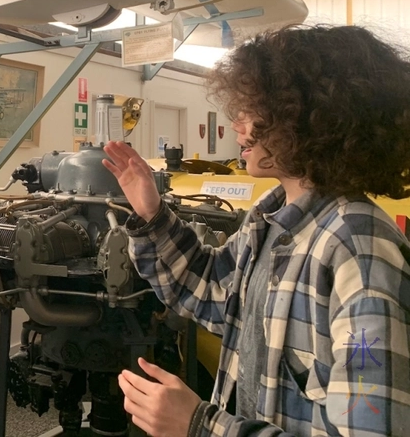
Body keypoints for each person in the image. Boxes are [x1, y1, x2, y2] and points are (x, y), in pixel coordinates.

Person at [102, 24, 410, 437]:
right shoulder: (271, 223)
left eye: (253, 110)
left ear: (308, 118)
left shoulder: (358, 252)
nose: (237, 126)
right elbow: (212, 291)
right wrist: (153, 215)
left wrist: (200, 427)